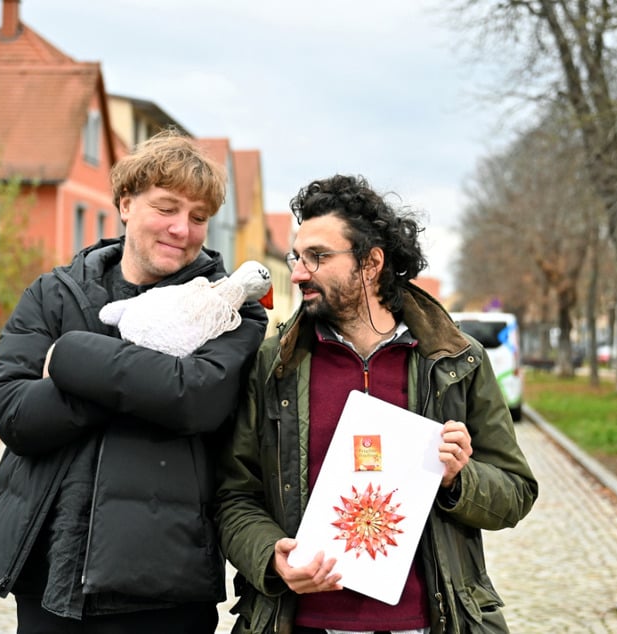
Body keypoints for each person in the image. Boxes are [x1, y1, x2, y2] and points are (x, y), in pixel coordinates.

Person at [0, 129, 269, 633]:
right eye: (166, 208)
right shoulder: (55, 292)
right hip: (46, 572)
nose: (182, 228)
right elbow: (12, 412)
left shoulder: (229, 308)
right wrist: (146, 380)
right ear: (126, 203)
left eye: (198, 217)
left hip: (161, 587)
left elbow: (193, 400)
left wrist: (72, 359)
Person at [215, 174, 538, 634]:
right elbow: (234, 496)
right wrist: (270, 556)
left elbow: (516, 492)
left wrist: (456, 479)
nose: (299, 273)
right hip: (302, 623)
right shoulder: (274, 364)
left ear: (370, 263)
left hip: (427, 623)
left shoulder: (456, 361)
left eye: (317, 257)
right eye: (297, 257)